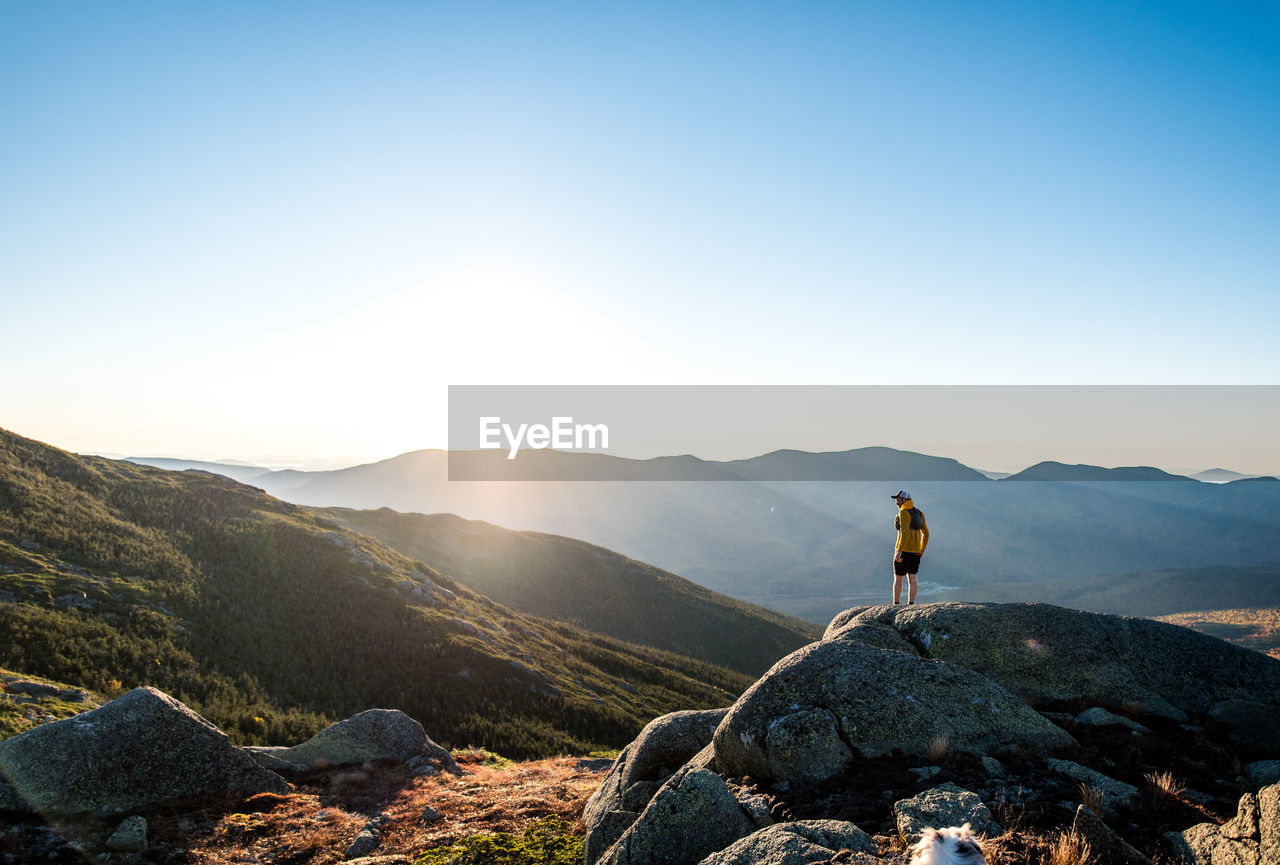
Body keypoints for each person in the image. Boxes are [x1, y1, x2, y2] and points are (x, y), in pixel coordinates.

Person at [891, 490, 929, 604]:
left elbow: (905, 532)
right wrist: (921, 551)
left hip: (904, 552)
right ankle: (911, 604)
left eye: (899, 499)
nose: (896, 501)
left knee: (898, 579)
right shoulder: (919, 513)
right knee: (913, 580)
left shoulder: (903, 513)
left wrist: (899, 551)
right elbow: (926, 533)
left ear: (905, 500)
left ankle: (896, 604)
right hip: (916, 552)